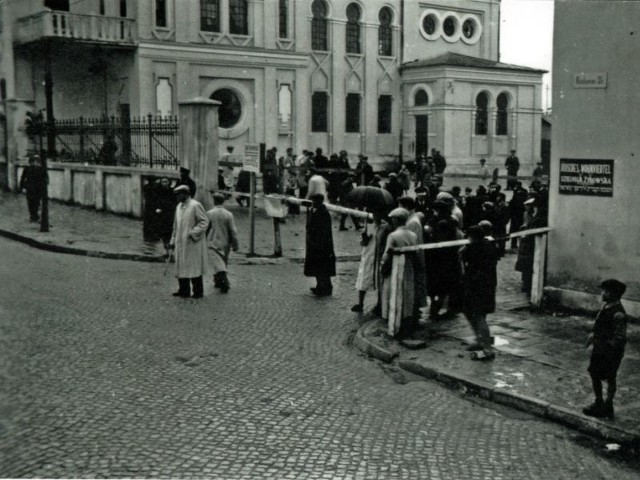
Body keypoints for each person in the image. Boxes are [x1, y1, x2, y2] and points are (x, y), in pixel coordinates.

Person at [583, 279, 628, 420]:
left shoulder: (618, 314)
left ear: (612, 294)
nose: (602, 293)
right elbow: (600, 325)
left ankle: (608, 405)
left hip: (609, 352)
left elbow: (619, 337)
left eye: (605, 291)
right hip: (600, 349)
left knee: (610, 377)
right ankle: (599, 402)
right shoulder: (607, 306)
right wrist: (594, 335)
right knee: (594, 373)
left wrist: (608, 349)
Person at [460, 225, 498, 358]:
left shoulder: (473, 249)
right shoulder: (489, 246)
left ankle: (487, 346)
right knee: (473, 313)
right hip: (487, 283)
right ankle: (480, 340)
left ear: (473, 237)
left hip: (477, 284)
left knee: (478, 315)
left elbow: (462, 257)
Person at [380, 208, 417, 337]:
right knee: (407, 291)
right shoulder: (413, 235)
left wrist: (382, 266)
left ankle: (394, 322)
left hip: (395, 266)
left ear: (396, 220)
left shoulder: (393, 235)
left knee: (393, 291)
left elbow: (386, 254)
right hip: (408, 265)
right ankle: (406, 320)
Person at [169, 185, 209, 298]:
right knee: (181, 266)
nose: (176, 197)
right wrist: (173, 239)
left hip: (192, 243)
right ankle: (184, 290)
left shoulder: (195, 205)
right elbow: (175, 225)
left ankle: (198, 292)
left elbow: (204, 222)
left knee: (193, 267)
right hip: (180, 242)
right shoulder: (178, 207)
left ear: (185, 194)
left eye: (178, 194)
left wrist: (192, 233)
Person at [398, 196, 427, 319]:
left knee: (415, 282)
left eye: (400, 205)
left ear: (405, 206)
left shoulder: (413, 222)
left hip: (414, 256)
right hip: (412, 255)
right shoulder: (410, 219)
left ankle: (414, 309)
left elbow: (413, 241)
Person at [351, 210, 385, 312]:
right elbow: (363, 243)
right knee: (364, 277)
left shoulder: (384, 227)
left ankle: (380, 304)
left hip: (379, 255)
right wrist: (364, 236)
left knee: (380, 279)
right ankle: (361, 303)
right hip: (368, 253)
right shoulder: (369, 226)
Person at [206, 193, 239, 294]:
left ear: (214, 201)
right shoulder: (228, 214)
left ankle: (224, 282)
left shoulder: (209, 213)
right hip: (225, 242)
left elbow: (206, 228)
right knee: (223, 262)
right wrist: (235, 243)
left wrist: (202, 239)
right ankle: (218, 280)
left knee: (217, 263)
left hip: (212, 241)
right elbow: (233, 230)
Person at [304, 193, 336, 296]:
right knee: (320, 267)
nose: (313, 203)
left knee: (321, 267)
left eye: (314, 201)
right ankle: (321, 286)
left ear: (319, 201)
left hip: (321, 245)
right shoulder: (318, 211)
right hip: (317, 244)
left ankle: (324, 288)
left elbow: (320, 230)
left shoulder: (322, 213)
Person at [152, 177, 177, 255]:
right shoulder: (158, 191)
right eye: (163, 182)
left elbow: (174, 203)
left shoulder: (172, 191)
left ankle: (171, 250)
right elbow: (156, 201)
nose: (164, 183)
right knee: (163, 233)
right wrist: (157, 208)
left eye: (166, 182)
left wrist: (165, 207)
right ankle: (165, 250)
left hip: (170, 215)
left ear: (169, 183)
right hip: (161, 216)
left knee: (170, 233)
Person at [19, 155, 47, 222]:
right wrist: (22, 187)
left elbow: (44, 179)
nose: (35, 163)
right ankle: (33, 216)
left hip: (38, 189)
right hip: (30, 189)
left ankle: (35, 216)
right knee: (30, 203)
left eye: (36, 161)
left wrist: (43, 187)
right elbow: (23, 177)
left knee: (37, 203)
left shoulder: (41, 169)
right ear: (30, 162)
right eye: (33, 161)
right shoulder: (27, 168)